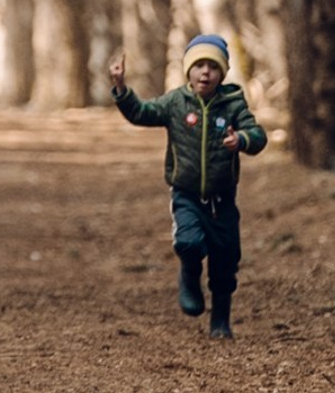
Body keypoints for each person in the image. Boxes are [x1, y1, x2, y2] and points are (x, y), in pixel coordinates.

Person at [109, 34, 267, 339]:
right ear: (188, 71)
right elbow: (141, 113)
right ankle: (189, 276)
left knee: (225, 260)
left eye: (212, 67)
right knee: (188, 243)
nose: (205, 73)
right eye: (198, 66)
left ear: (222, 73)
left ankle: (220, 320)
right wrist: (121, 89)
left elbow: (257, 135)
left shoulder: (232, 104)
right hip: (187, 194)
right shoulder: (176, 103)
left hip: (222, 200)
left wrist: (242, 140)